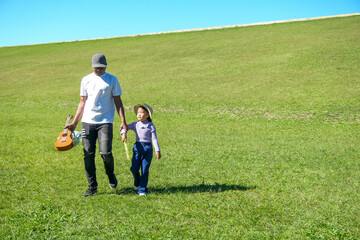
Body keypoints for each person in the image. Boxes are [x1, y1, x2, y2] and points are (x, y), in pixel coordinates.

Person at [65, 53, 127, 197]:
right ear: (92, 66)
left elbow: (118, 101)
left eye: (101, 67)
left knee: (105, 153)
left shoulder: (112, 80)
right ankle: (92, 187)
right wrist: (75, 122)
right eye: (96, 67)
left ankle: (110, 174)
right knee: (88, 155)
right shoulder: (85, 80)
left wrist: (123, 121)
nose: (98, 70)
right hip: (87, 122)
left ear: (106, 66)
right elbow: (82, 102)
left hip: (105, 121)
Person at [121, 104, 161, 196]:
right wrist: (124, 134)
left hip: (147, 149)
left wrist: (157, 150)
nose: (139, 114)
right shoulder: (135, 124)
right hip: (137, 148)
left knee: (144, 170)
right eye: (138, 112)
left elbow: (154, 139)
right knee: (134, 168)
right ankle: (137, 180)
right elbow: (124, 127)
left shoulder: (151, 126)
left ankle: (142, 189)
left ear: (147, 115)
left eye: (141, 113)